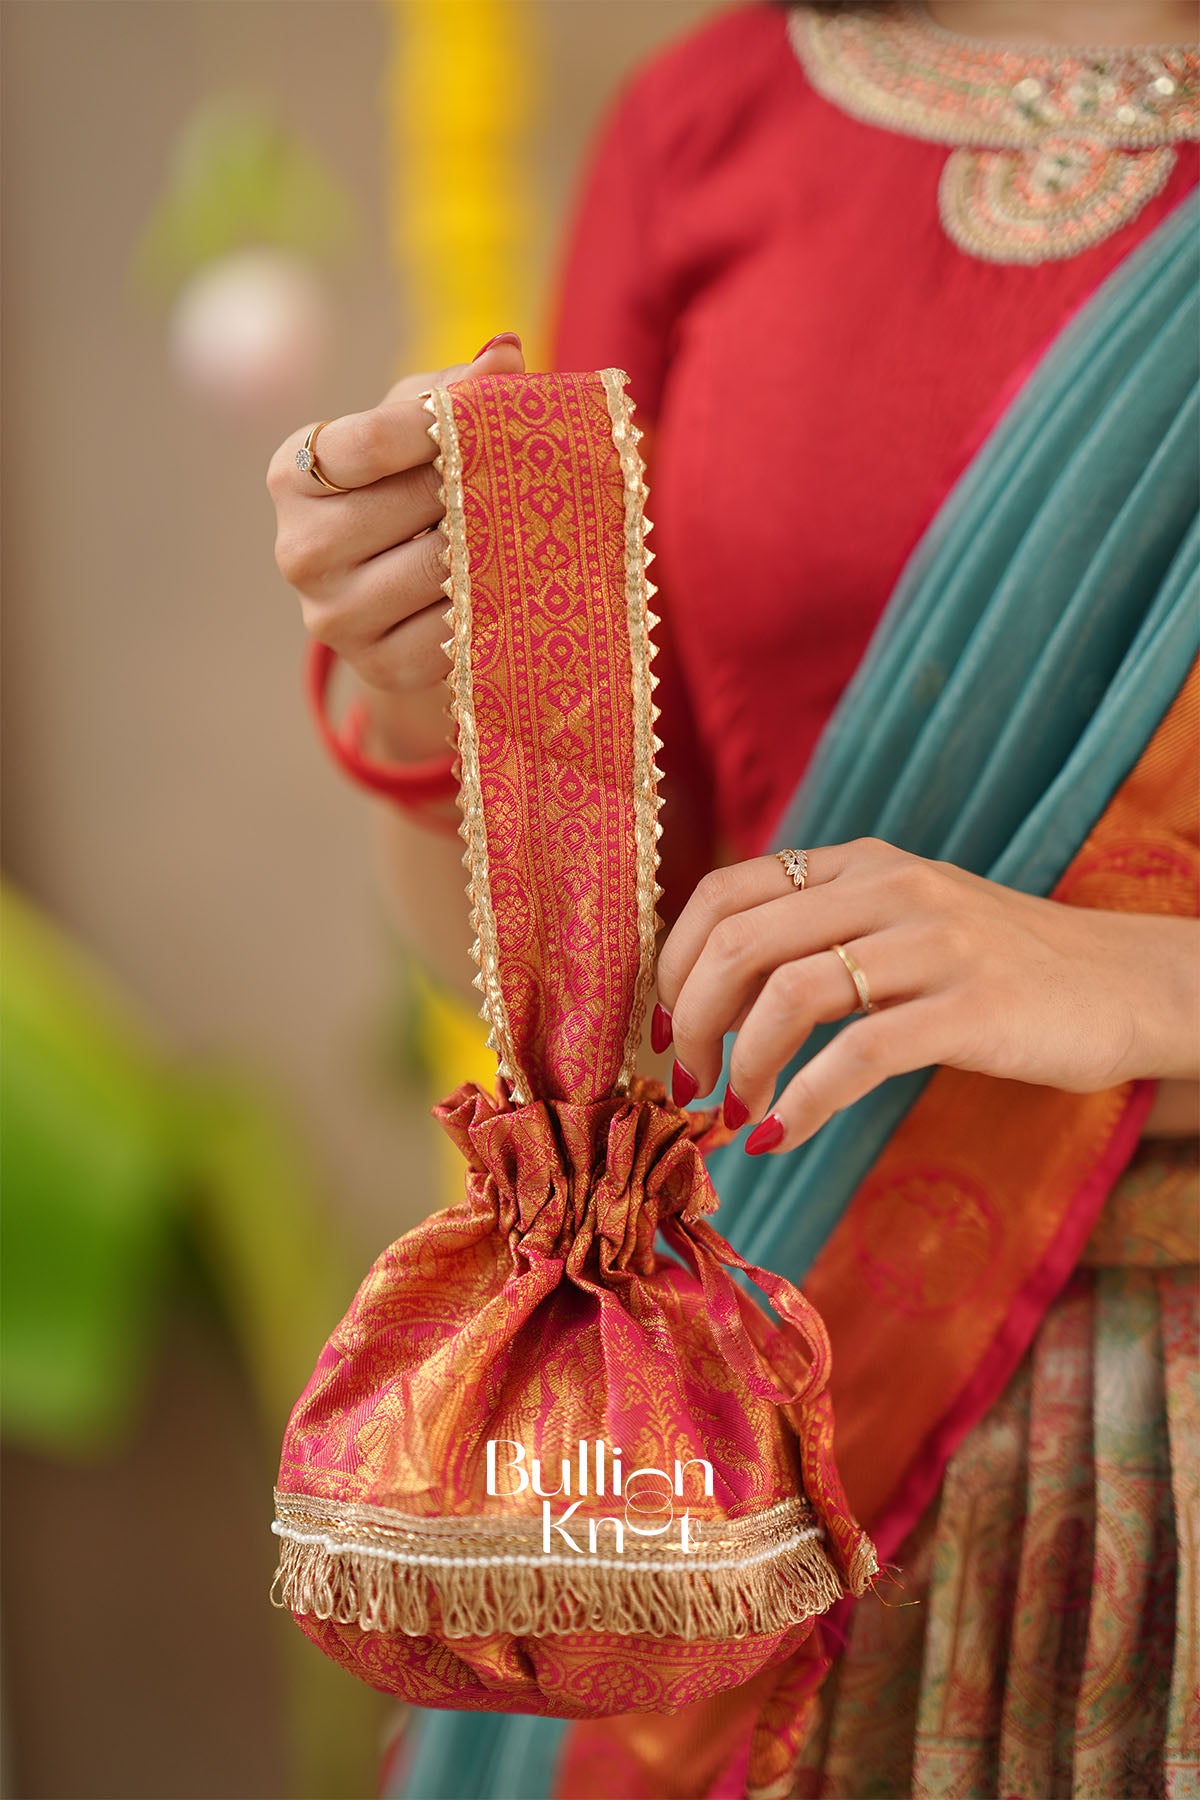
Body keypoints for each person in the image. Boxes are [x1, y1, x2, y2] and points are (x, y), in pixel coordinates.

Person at [267, 2, 1199, 1794]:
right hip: (783, 1452)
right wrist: (434, 688)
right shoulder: (710, 129)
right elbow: (608, 1011)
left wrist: (1132, 978)